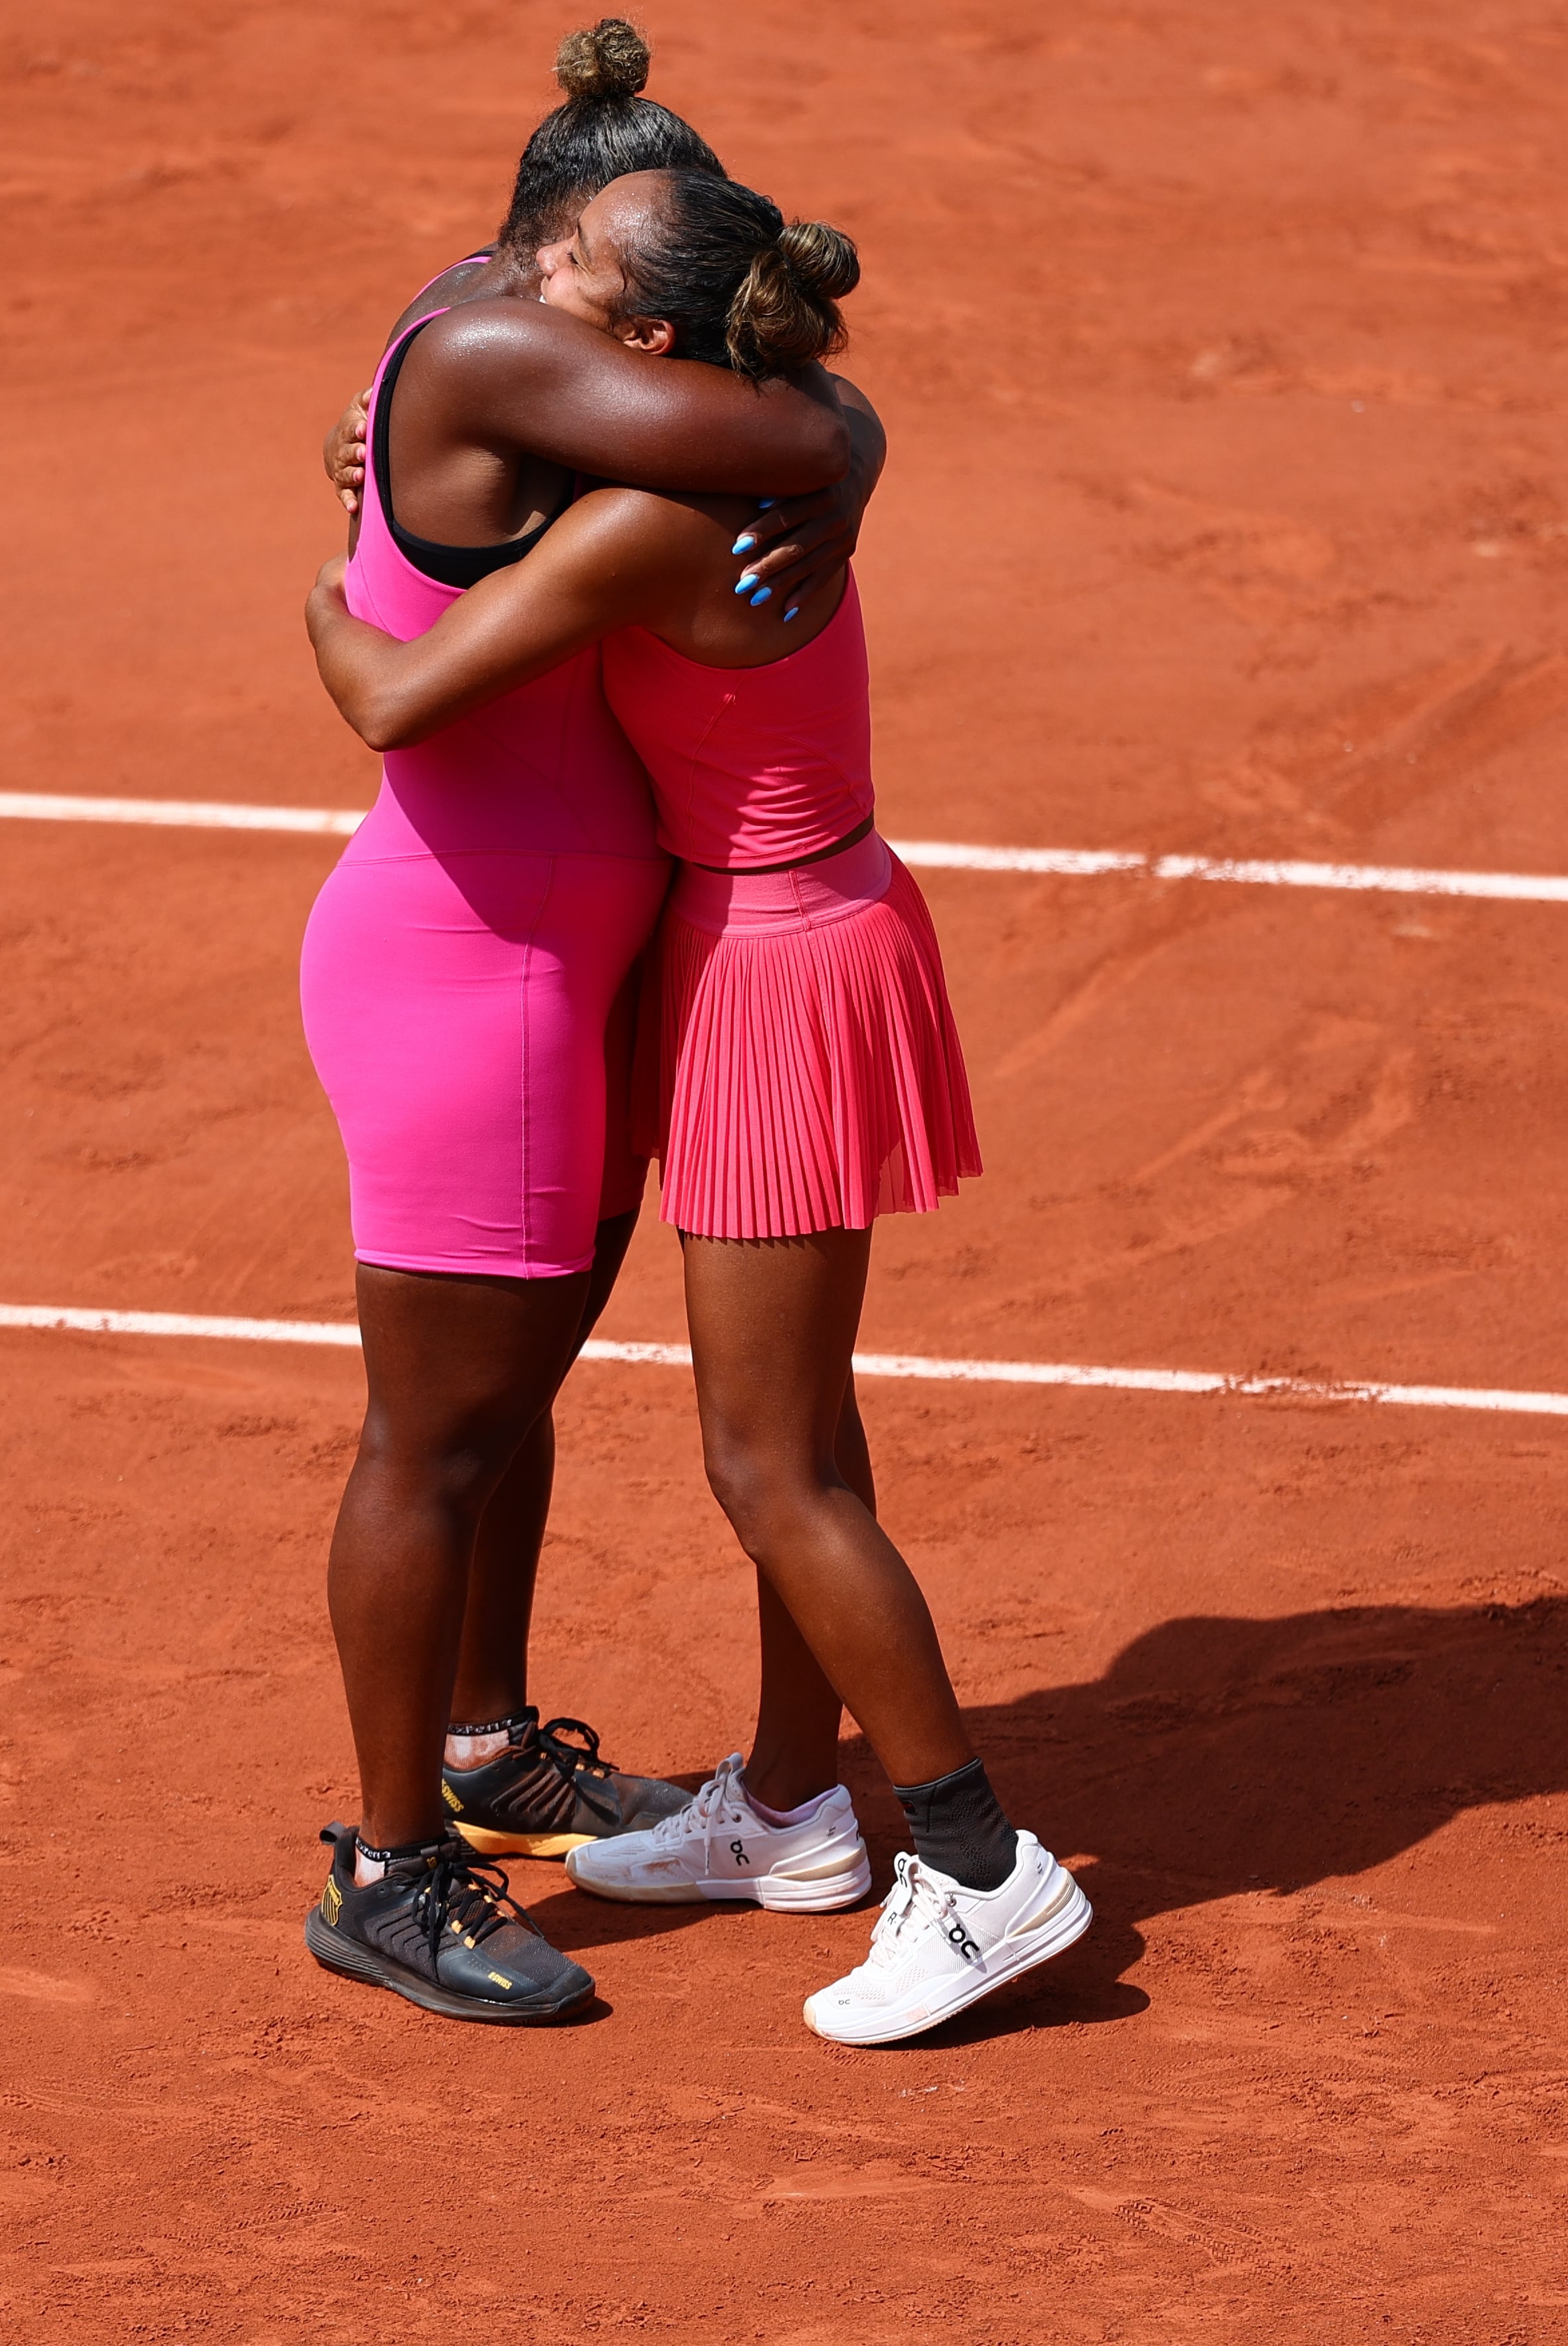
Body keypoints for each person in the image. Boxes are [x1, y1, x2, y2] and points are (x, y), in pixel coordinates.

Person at [306, 168, 1089, 2048]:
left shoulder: (644, 530)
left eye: (564, 275)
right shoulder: (755, 491)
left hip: (762, 971)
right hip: (792, 932)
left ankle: (981, 1871)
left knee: (770, 1461)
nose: (521, 289)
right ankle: (798, 1811)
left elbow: (395, 693)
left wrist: (325, 592)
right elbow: (789, 411)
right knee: (800, 1429)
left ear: (651, 353)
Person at [294, 29, 886, 2026]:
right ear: (550, 247)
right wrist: (857, 450)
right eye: (621, 291)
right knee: (434, 1437)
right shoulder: (496, 346)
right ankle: (394, 1873)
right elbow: (795, 435)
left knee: (498, 1410)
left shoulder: (511, 336)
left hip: (551, 965)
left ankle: (483, 1749)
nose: (641, 329)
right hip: (484, 977)